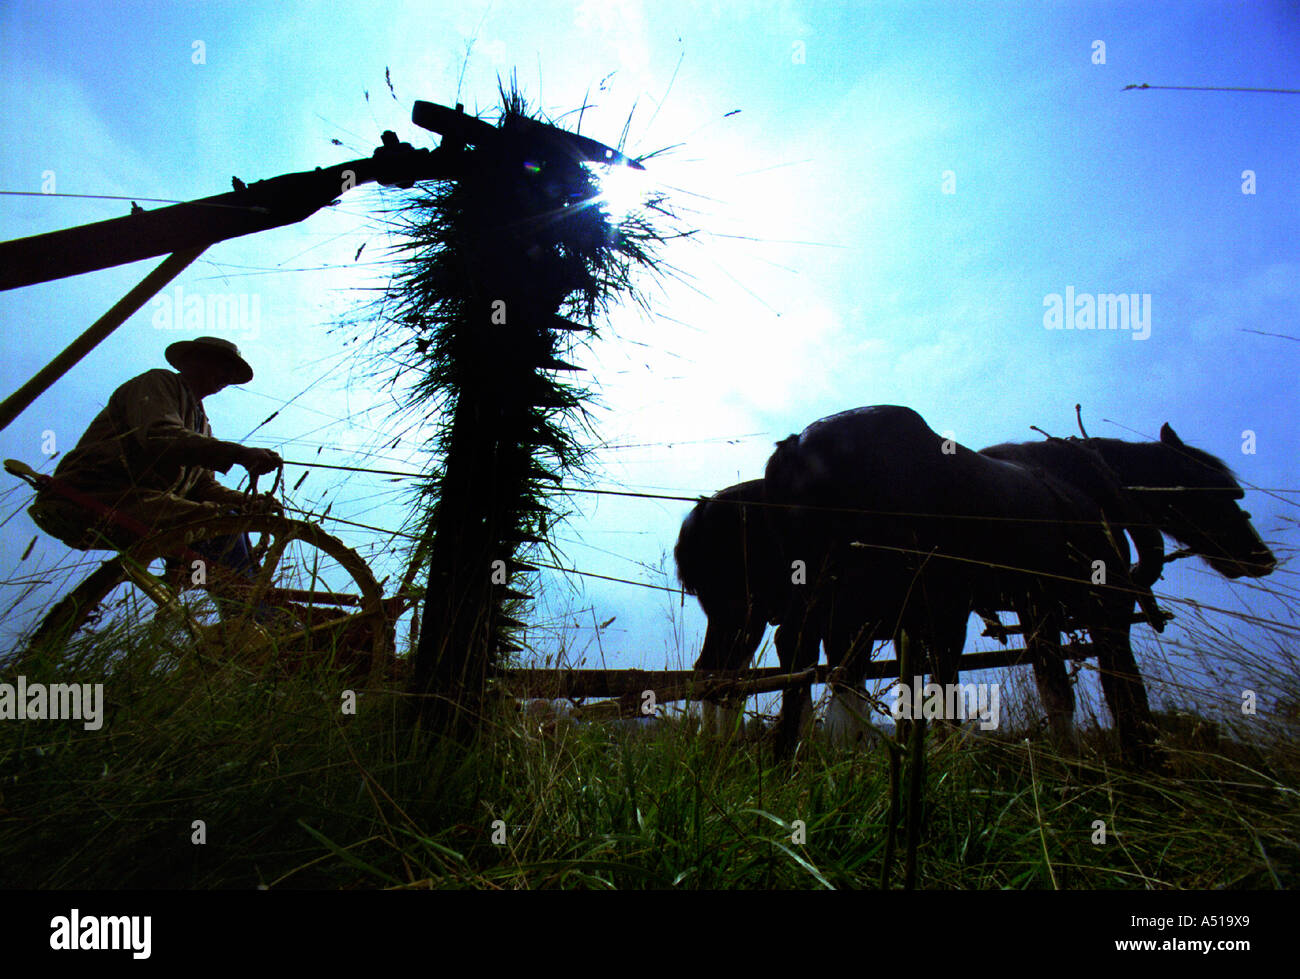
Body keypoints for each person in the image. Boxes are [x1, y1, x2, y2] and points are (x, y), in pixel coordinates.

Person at [29, 336, 283, 585]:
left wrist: (249, 502)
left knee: (220, 535)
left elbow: (203, 488)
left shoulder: (202, 425)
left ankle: (244, 612)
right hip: (97, 493)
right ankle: (257, 615)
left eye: (232, 372)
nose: (227, 376)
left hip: (142, 502)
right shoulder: (157, 383)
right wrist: (239, 454)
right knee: (221, 526)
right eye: (222, 365)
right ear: (191, 360)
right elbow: (160, 436)